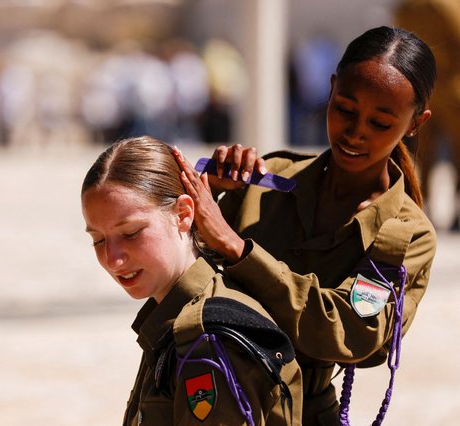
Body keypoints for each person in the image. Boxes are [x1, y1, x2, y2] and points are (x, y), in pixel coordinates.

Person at [174, 26, 437, 425]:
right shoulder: (267, 181)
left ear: (416, 124)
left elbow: (348, 332)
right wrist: (209, 190)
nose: (355, 132)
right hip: (201, 395)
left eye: (380, 123)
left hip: (300, 410)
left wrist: (239, 250)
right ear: (331, 89)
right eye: (345, 109)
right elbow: (170, 270)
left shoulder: (405, 234)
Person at [81, 136, 302, 425]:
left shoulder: (207, 337)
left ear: (184, 214)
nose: (113, 259)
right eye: (98, 240)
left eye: (131, 233)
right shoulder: (174, 317)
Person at [395, 0, 460, 230]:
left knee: (423, 153)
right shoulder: (447, 6)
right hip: (451, 91)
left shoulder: (406, 7)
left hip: (425, 89)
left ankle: (422, 207)